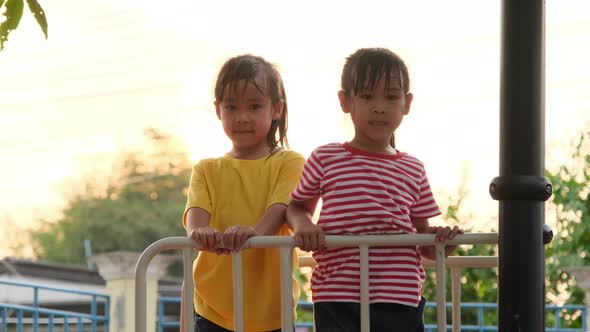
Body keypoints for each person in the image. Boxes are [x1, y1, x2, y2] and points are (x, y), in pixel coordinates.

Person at [286, 47, 464, 332]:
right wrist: (304, 225)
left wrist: (445, 241)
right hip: (336, 291)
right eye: (367, 96)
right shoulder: (325, 157)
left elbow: (424, 240)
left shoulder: (413, 168)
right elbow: (295, 207)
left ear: (406, 103)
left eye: (391, 97)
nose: (379, 107)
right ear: (346, 101)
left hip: (399, 294)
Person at [182, 54, 304, 332]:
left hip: (273, 310)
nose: (242, 117)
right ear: (218, 111)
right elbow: (196, 220)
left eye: (254, 106)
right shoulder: (206, 168)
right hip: (213, 307)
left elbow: (280, 210)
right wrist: (200, 233)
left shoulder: (290, 162)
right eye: (231, 107)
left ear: (276, 109)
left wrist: (254, 233)